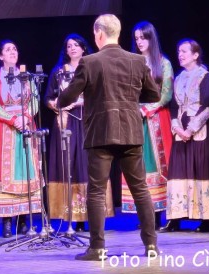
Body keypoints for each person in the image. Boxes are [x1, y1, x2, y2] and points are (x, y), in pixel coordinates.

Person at [57, 14, 160, 260]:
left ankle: (97, 248)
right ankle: (151, 246)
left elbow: (67, 98)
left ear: (99, 33)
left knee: (96, 191)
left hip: (101, 133)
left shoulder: (89, 61)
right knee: (140, 190)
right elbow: (153, 95)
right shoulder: (137, 60)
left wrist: (62, 98)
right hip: (130, 131)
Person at [45, 33, 114, 232]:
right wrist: (59, 106)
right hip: (65, 124)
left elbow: (102, 93)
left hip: (87, 121)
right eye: (69, 46)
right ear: (65, 51)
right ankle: (69, 216)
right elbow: (49, 97)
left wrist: (83, 102)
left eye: (76, 45)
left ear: (84, 48)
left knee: (87, 165)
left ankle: (87, 216)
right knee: (68, 166)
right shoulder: (58, 72)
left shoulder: (92, 67)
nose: (73, 48)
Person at [161, 39, 209, 233]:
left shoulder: (206, 77)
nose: (180, 55)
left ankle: (207, 219)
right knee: (179, 172)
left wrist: (191, 129)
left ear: (196, 55)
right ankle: (175, 218)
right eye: (179, 51)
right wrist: (176, 126)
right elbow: (173, 105)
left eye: (184, 51)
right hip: (181, 129)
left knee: (202, 170)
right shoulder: (179, 78)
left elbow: (208, 105)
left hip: (200, 129)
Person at [0, 40, 42, 238]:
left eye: (15, 49)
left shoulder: (26, 76)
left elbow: (34, 99)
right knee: (5, 174)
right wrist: (12, 119)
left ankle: (24, 220)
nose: (12, 52)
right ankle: (7, 222)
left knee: (26, 171)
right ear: (0, 56)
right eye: (8, 50)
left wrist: (26, 117)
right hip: (3, 129)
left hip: (26, 126)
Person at [121, 21, 173, 229]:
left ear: (152, 38)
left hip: (156, 118)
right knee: (137, 164)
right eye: (137, 39)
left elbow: (167, 92)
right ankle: (143, 214)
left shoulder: (163, 62)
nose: (140, 42)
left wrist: (150, 108)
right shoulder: (132, 62)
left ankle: (160, 214)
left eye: (143, 37)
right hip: (135, 117)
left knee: (158, 163)